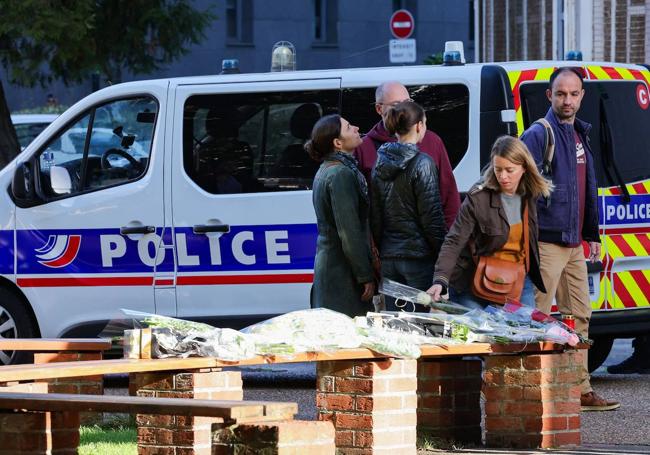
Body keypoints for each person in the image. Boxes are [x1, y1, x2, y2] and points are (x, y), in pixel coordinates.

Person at [520, 66, 620, 411]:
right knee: (536, 317)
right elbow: (516, 185)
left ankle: (581, 390)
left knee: (579, 317)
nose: (567, 100)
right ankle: (529, 391)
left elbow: (585, 187)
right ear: (550, 96)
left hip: (574, 243)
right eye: (560, 93)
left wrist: (590, 233)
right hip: (547, 242)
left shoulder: (580, 133)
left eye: (573, 94)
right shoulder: (538, 133)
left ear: (582, 96)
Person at [426, 136, 551, 309]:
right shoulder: (478, 197)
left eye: (509, 170)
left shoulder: (532, 193)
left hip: (518, 279)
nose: (503, 176)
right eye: (498, 169)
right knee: (479, 333)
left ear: (524, 167)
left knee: (525, 333)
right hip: (474, 280)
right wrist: (441, 279)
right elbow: (454, 240)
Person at [370, 101, 447, 312]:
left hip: (389, 258)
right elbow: (431, 216)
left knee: (395, 328)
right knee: (420, 328)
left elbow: (375, 216)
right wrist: (444, 255)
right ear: (419, 126)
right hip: (418, 258)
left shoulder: (380, 163)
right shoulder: (423, 163)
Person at [355, 81, 460, 229]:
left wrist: (449, 239)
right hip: (388, 243)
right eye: (396, 105)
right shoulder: (363, 148)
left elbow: (448, 194)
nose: (404, 110)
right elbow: (362, 206)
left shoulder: (432, 141)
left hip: (429, 240)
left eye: (408, 102)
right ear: (379, 108)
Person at [307, 114, 375, 317]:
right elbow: (349, 232)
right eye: (348, 127)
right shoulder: (341, 174)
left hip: (333, 268)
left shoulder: (328, 169)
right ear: (338, 143)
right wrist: (365, 275)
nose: (356, 127)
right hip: (341, 274)